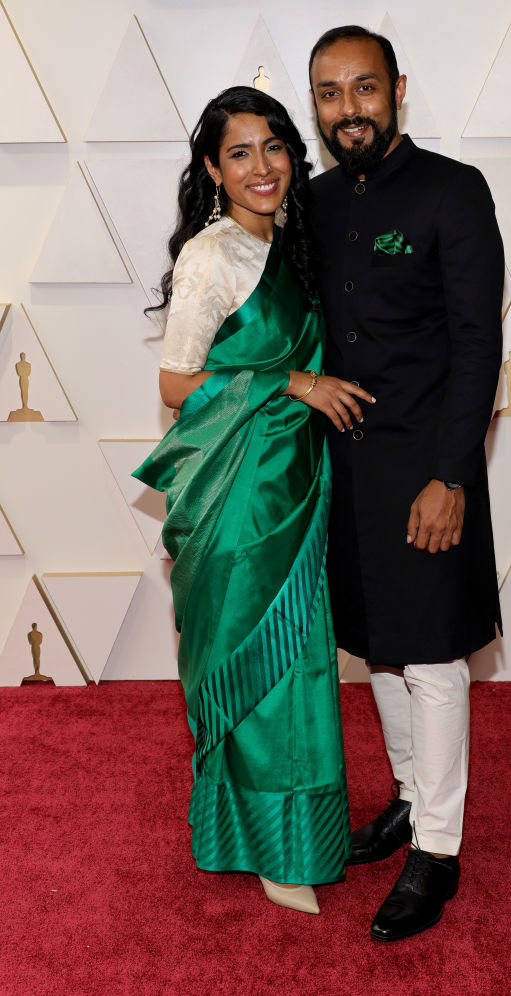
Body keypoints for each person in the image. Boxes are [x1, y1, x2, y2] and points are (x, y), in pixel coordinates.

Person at [133, 86, 374, 915]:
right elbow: (175, 384)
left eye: (273, 147)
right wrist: (294, 380)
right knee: (255, 675)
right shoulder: (212, 257)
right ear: (212, 169)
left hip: (296, 487)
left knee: (300, 669)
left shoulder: (291, 245)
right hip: (235, 499)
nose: (261, 167)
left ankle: (293, 834)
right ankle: (263, 844)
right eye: (239, 153)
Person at [309, 26, 504, 941]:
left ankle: (436, 850)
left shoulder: (452, 192)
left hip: (426, 467)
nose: (348, 108)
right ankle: (404, 798)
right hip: (340, 469)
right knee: (375, 646)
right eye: (329, 94)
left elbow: (477, 346)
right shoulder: (307, 203)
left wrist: (449, 475)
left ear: (396, 91)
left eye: (363, 88)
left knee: (429, 657)